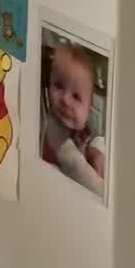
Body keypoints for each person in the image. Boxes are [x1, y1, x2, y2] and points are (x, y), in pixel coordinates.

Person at [41, 41, 105, 196]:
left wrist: (95, 150)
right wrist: (105, 191)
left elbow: (94, 137)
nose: (65, 100)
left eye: (76, 96)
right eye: (58, 86)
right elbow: (75, 166)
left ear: (88, 109)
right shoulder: (54, 129)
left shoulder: (82, 125)